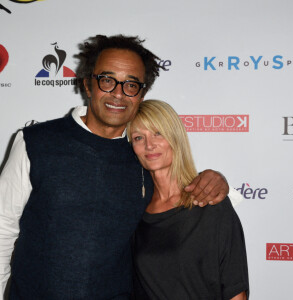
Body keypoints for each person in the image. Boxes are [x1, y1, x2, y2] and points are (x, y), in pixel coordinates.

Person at [0, 35, 240, 299]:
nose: (118, 93)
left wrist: (215, 178)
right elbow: (2, 228)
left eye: (131, 84)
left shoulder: (143, 153)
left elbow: (178, 193)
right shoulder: (35, 142)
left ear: (142, 93)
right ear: (88, 85)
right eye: (107, 80)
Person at [127, 100, 249, 299]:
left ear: (175, 137)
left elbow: (235, 291)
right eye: (139, 137)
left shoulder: (211, 203)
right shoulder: (134, 211)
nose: (149, 145)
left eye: (158, 133)